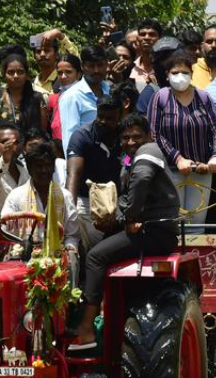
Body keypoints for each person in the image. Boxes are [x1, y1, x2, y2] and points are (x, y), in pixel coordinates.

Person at [71, 114, 182, 348]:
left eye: (136, 136)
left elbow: (141, 180)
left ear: (148, 136)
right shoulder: (131, 159)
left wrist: (130, 217)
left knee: (95, 257)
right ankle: (97, 309)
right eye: (125, 137)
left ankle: (87, 327)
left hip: (155, 231)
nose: (131, 141)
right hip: (150, 228)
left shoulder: (148, 151)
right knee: (90, 246)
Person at [147, 51, 216, 226]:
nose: (180, 76)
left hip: (201, 170)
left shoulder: (203, 97)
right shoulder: (161, 97)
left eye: (185, 72)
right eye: (175, 73)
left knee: (196, 222)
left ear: (191, 74)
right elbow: (154, 133)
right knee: (175, 221)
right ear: (167, 75)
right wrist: (178, 158)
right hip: (171, 171)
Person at [65, 94, 124, 249]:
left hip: (117, 199)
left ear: (120, 116)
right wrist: (68, 210)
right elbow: (73, 174)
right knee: (95, 247)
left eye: (110, 118)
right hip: (86, 201)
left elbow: (128, 164)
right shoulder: (82, 136)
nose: (103, 122)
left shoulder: (124, 136)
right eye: (100, 116)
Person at [1, 139, 79, 254]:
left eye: (48, 165)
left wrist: (70, 248)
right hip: (24, 258)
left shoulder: (65, 196)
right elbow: (5, 232)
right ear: (29, 168)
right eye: (39, 166)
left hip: (58, 259)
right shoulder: (16, 196)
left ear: (53, 168)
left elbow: (72, 235)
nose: (44, 170)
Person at [0, 53, 48, 159]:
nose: (16, 76)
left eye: (20, 72)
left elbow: (42, 134)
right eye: (11, 72)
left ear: (27, 75)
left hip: (28, 161)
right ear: (4, 74)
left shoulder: (37, 99)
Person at [58, 46, 112, 149]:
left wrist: (126, 163)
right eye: (91, 66)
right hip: (86, 160)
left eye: (100, 65)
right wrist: (73, 164)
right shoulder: (72, 96)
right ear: (82, 66)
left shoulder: (111, 90)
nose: (96, 70)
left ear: (106, 65)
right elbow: (70, 138)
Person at [136, 36, 181, 115]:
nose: (166, 63)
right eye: (162, 58)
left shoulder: (192, 88)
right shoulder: (150, 94)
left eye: (171, 57)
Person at [32, 28, 80, 95]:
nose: (42, 54)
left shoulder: (64, 78)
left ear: (57, 54)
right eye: (38, 51)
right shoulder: (32, 84)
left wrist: (59, 35)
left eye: (47, 50)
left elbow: (75, 60)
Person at [131, 18, 163, 89]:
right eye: (142, 34)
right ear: (137, 39)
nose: (146, 38)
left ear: (160, 39)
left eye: (152, 34)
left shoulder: (166, 67)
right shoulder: (131, 67)